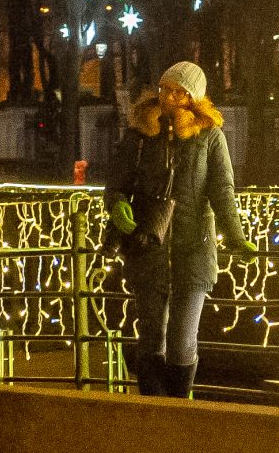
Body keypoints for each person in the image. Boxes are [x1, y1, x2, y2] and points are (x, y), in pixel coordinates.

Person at [105, 60, 256, 399]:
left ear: (194, 98)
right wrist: (117, 206)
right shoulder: (140, 134)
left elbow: (222, 190)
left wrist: (235, 236)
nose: (169, 97)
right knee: (150, 336)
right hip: (148, 246)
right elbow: (116, 184)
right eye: (164, 89)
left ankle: (179, 409)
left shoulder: (210, 137)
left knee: (182, 339)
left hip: (195, 249)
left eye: (178, 92)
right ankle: (154, 412)